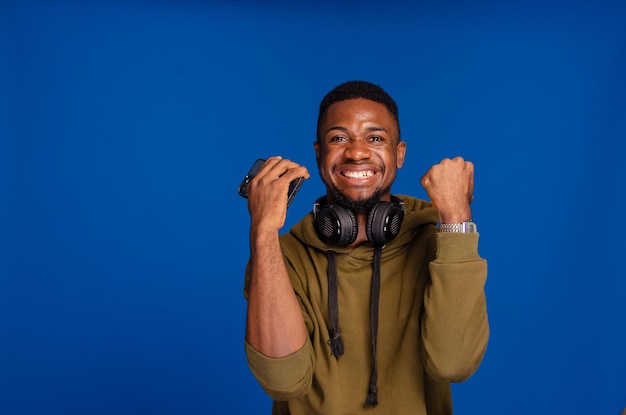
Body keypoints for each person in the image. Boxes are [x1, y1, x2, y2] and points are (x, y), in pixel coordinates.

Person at [243, 80, 489, 414]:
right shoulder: (281, 256)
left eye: (375, 138)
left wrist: (456, 219)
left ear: (399, 154)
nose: (357, 152)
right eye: (338, 138)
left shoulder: (440, 245)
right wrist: (263, 231)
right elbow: (283, 381)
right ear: (319, 153)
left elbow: (454, 365)